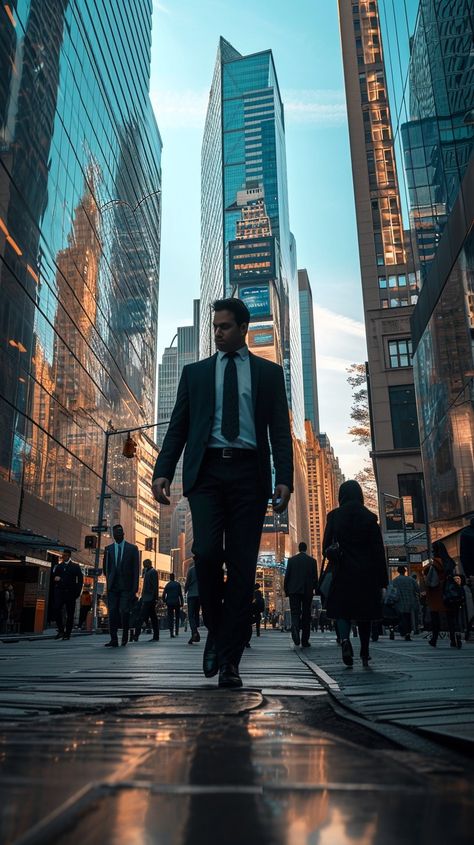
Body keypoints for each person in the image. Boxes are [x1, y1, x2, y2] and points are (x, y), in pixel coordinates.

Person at [152, 297, 293, 688]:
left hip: (250, 475)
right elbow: (178, 428)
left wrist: (285, 478)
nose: (217, 332)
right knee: (208, 553)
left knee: (243, 566)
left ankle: (230, 660)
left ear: (243, 329)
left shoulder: (268, 374)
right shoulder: (195, 374)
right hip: (208, 474)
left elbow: (279, 431)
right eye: (215, 326)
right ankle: (215, 630)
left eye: (225, 326)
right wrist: (162, 471)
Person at [322, 480, 388, 667]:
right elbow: (378, 553)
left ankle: (345, 641)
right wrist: (383, 582)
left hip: (342, 572)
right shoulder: (370, 518)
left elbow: (325, 548)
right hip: (367, 574)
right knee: (364, 613)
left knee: (342, 611)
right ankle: (365, 651)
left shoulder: (334, 517)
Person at [103, 524, 139, 647]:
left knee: (124, 611)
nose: (117, 535)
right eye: (115, 534)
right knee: (112, 612)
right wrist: (109, 580)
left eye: (119, 533)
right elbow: (105, 568)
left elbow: (136, 570)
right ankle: (113, 639)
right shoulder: (108, 549)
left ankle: (124, 636)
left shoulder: (132, 549)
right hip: (113, 587)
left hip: (126, 587)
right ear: (113, 535)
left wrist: (135, 588)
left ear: (123, 534)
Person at [426, 540, 462, 649]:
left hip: (436, 594)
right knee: (451, 617)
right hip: (449, 592)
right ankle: (453, 638)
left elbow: (431, 581)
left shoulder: (435, 563)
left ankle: (434, 639)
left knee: (435, 617)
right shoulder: (449, 562)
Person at [284, 541, 318, 648]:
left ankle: (295, 626)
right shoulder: (312, 561)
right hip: (307, 591)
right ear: (306, 548)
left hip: (293, 591)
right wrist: (315, 589)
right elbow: (315, 578)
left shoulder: (291, 561)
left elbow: (287, 577)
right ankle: (305, 640)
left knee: (295, 612)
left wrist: (287, 590)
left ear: (298, 549)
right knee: (306, 615)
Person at [52, 551, 83, 641]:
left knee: (70, 614)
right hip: (60, 593)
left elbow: (80, 580)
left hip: (70, 593)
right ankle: (61, 630)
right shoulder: (59, 566)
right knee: (56, 609)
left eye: (65, 555)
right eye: (62, 555)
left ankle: (67, 633)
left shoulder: (75, 566)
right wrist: (56, 581)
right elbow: (54, 578)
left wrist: (77, 592)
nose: (63, 557)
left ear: (69, 556)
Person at [390, 565, 420, 641]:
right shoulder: (411, 580)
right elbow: (417, 589)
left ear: (398, 571)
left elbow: (393, 593)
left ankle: (404, 631)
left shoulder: (395, 581)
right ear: (405, 571)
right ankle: (408, 633)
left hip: (400, 603)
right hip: (410, 602)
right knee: (408, 617)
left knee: (402, 618)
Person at [137, 559, 159, 642]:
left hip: (150, 598)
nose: (143, 566)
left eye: (144, 564)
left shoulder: (153, 572)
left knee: (143, 616)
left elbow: (155, 586)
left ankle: (136, 635)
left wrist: (155, 597)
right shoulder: (147, 572)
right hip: (147, 598)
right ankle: (155, 635)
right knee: (151, 617)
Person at [163, 573, 183, 637]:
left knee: (170, 618)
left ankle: (171, 632)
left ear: (170, 577)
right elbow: (180, 595)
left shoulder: (167, 585)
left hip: (169, 603)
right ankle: (177, 631)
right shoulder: (177, 584)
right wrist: (181, 603)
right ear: (174, 577)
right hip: (176, 602)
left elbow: (164, 595)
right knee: (177, 617)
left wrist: (165, 601)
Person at [185, 561, 201, 644]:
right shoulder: (202, 570)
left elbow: (187, 582)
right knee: (196, 614)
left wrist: (185, 590)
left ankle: (194, 631)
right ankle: (194, 634)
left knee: (191, 615)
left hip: (191, 595)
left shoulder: (191, 570)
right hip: (200, 595)